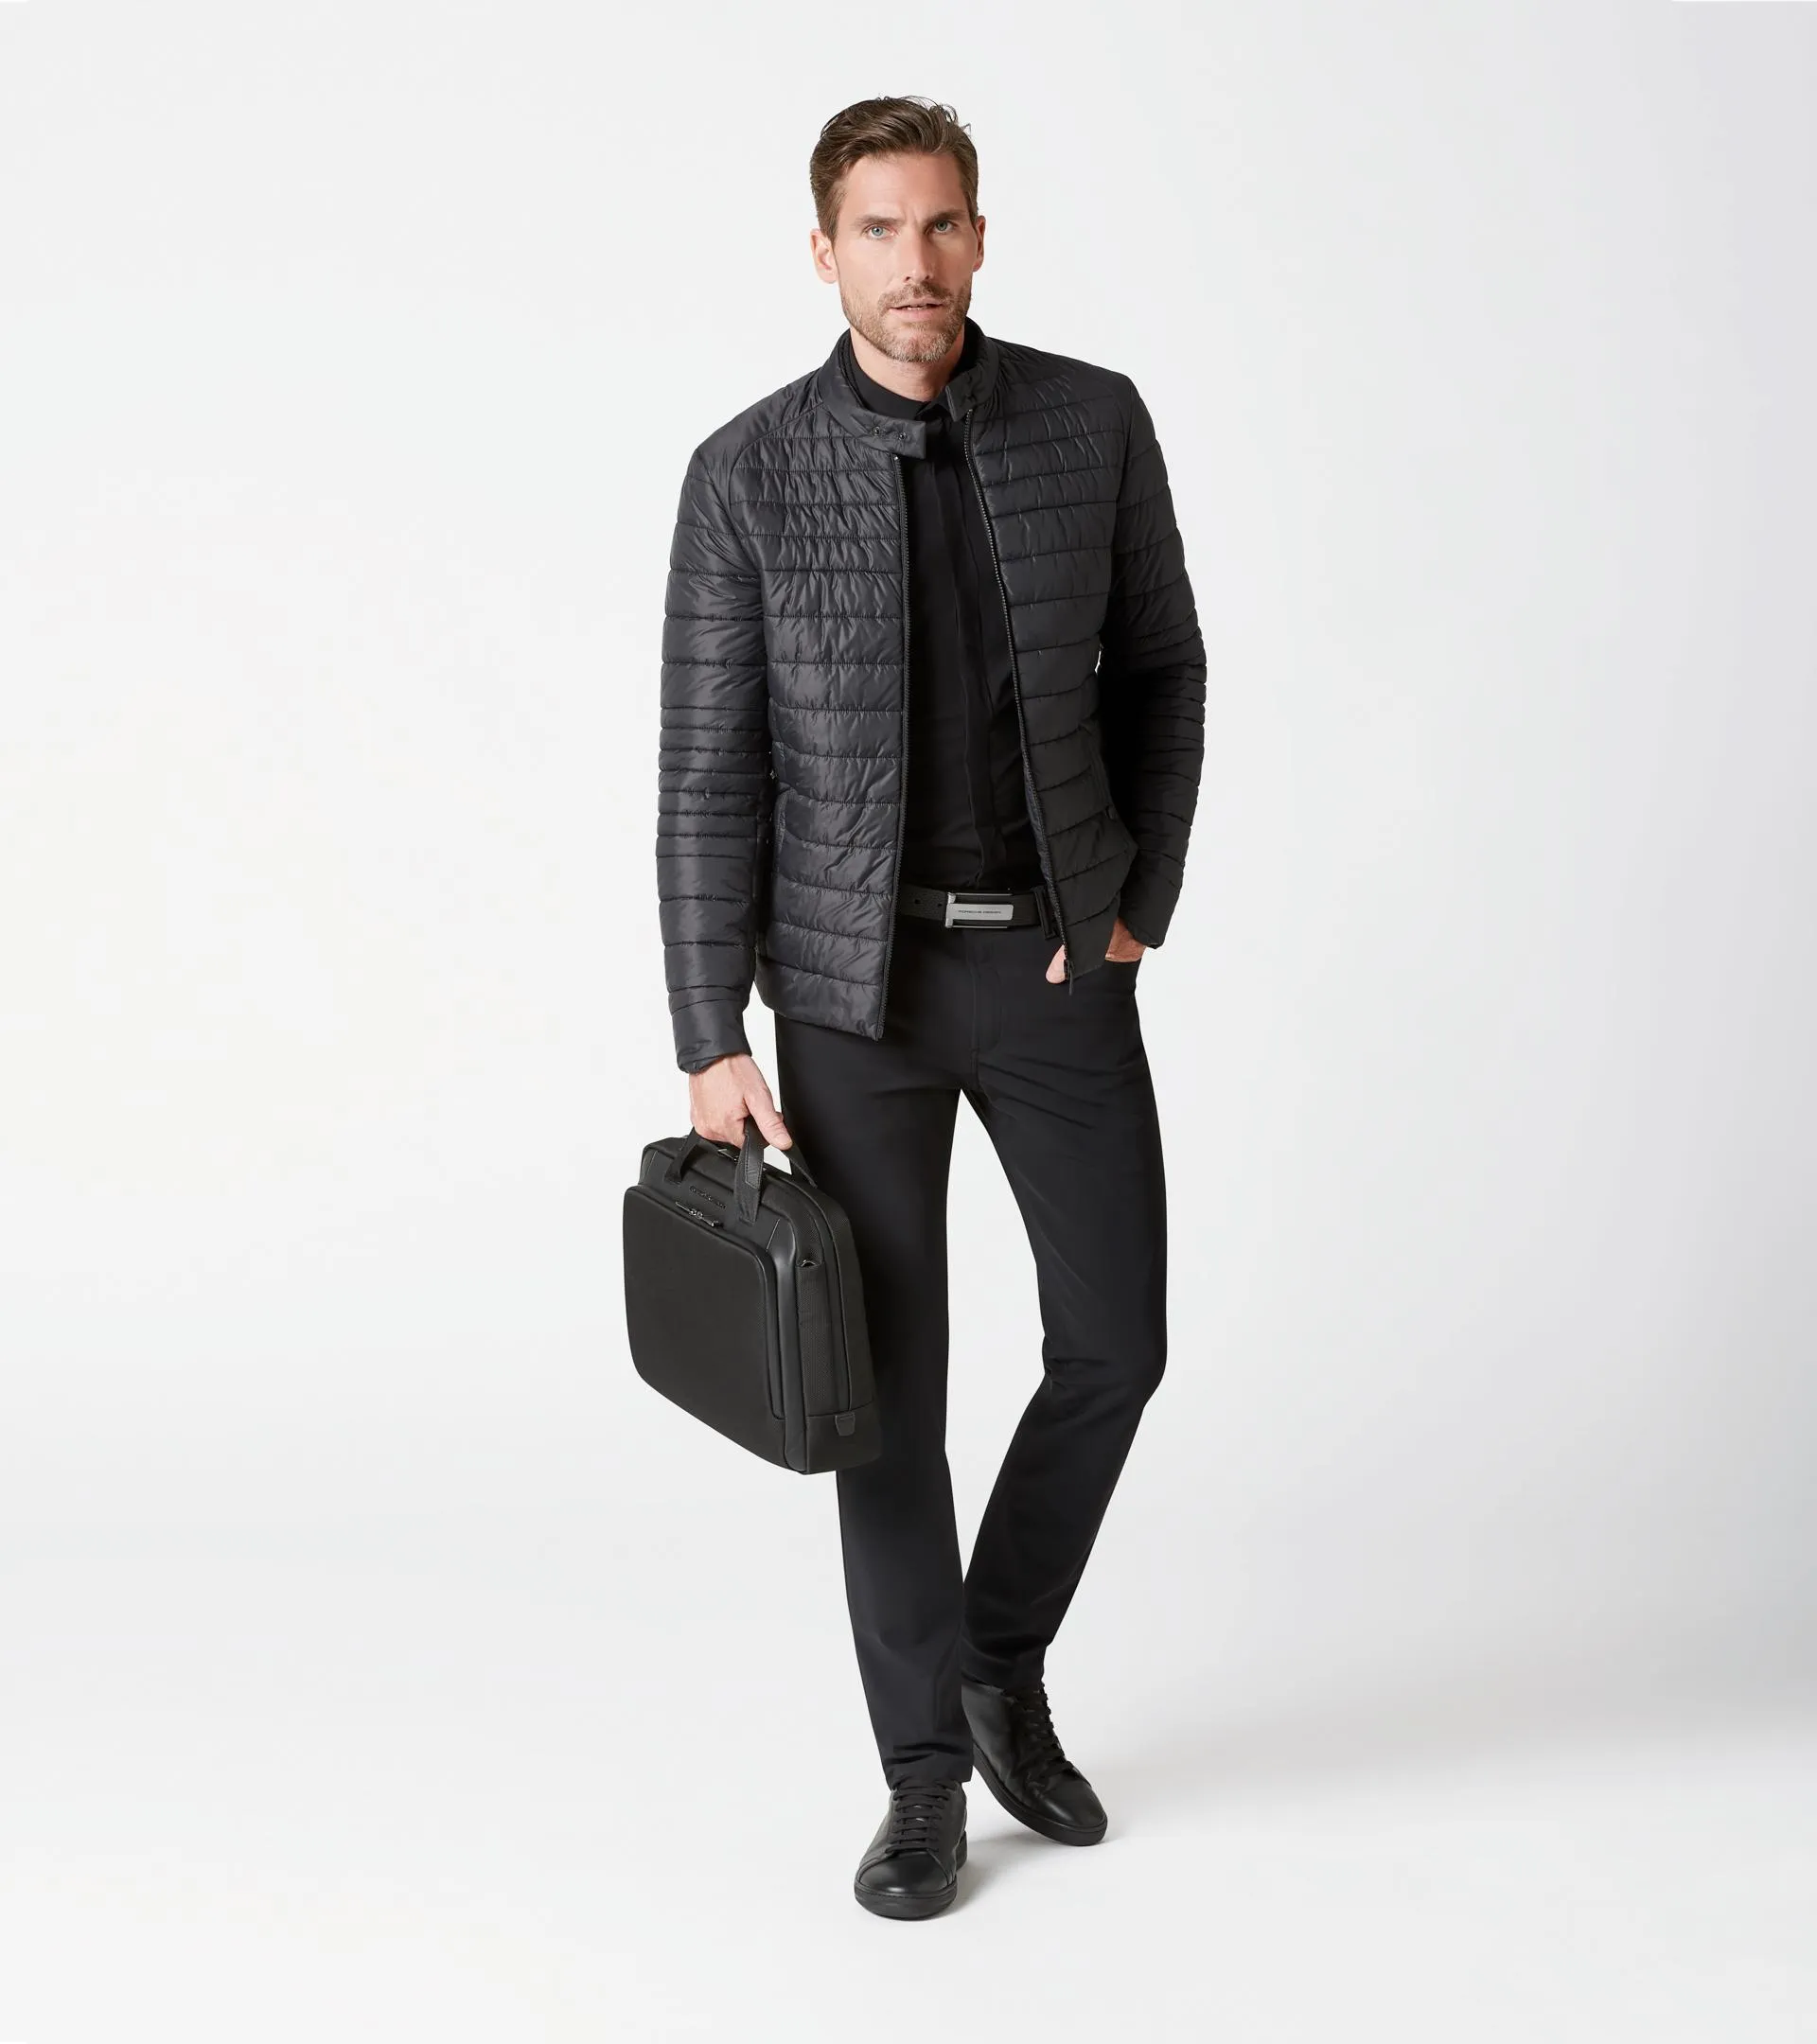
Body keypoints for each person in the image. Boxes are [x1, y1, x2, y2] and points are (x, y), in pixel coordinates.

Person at [655, 94, 1206, 1919]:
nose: (918, 262)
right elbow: (707, 775)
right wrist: (711, 1032)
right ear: (825, 252)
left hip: (1053, 966)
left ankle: (994, 1661)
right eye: (882, 230)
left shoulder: (1090, 423)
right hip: (852, 996)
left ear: (981, 236)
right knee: (885, 1403)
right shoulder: (746, 473)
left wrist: (1132, 906)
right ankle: (919, 1779)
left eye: (945, 223)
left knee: (1116, 1343)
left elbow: (1165, 669)